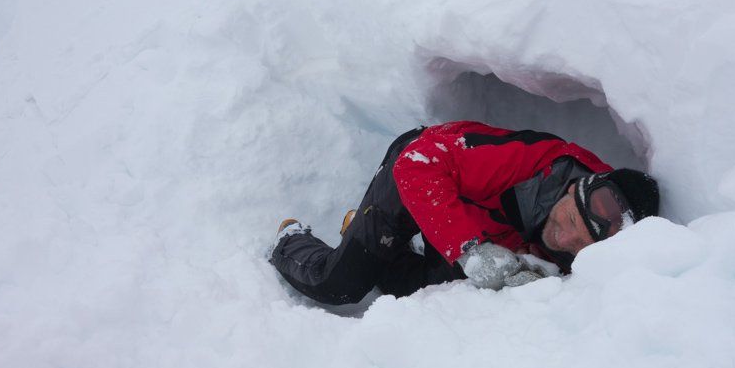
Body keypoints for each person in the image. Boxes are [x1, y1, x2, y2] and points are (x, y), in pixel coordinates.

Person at [269, 120, 659, 305]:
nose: (565, 239)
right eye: (570, 220)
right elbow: (418, 164)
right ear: (574, 186)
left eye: (579, 247)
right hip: (419, 172)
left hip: (473, 226)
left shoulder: (597, 242)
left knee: (426, 296)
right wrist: (470, 252)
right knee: (341, 284)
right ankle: (291, 239)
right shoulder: (530, 162)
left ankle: (358, 228)